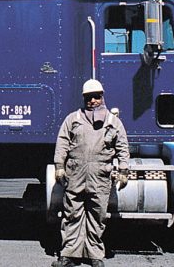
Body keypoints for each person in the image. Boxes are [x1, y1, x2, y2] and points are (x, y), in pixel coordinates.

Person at [52, 79, 130, 267]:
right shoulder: (73, 119)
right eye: (89, 97)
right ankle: (69, 254)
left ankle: (95, 255)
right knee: (72, 215)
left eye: (96, 97)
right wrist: (59, 166)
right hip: (75, 175)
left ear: (102, 97)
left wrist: (124, 170)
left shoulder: (113, 122)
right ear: (84, 98)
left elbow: (122, 147)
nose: (92, 101)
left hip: (100, 177)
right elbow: (62, 142)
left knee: (97, 216)